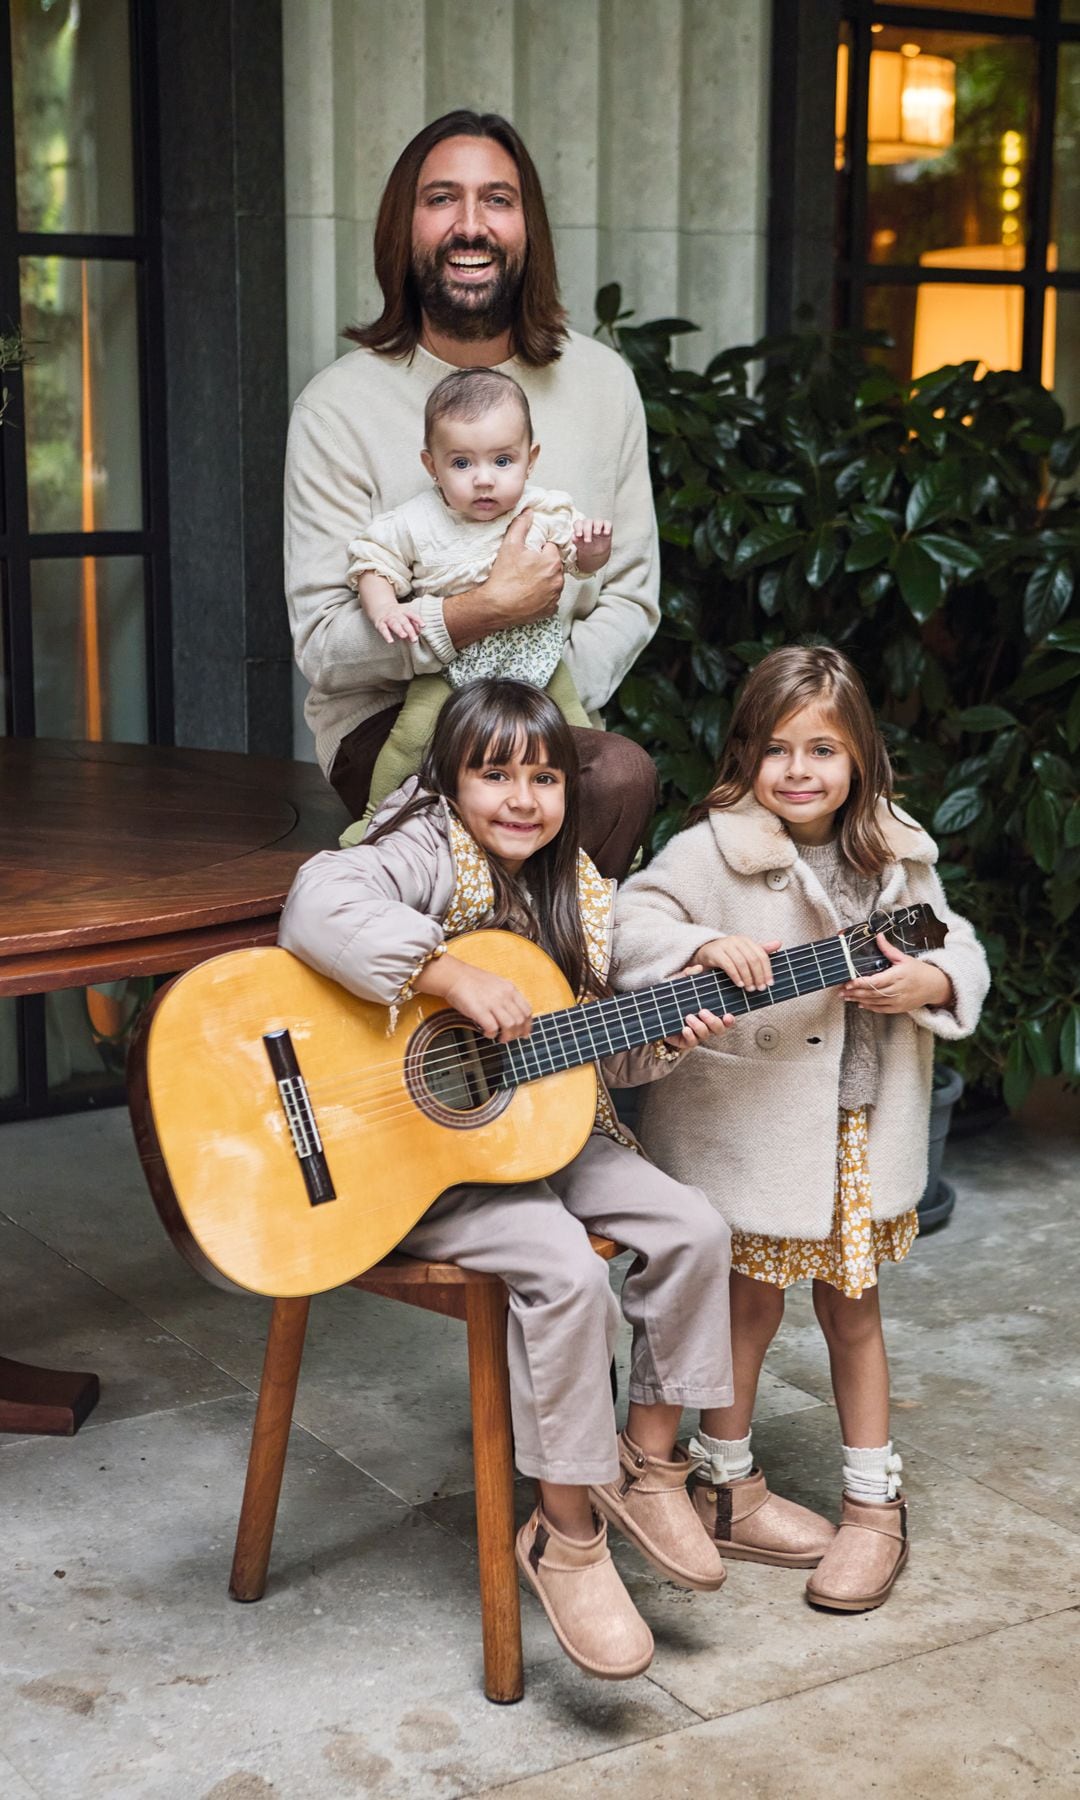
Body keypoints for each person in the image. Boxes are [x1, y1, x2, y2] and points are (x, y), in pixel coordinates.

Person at [278, 679, 735, 1680]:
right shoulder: (423, 846)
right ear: (450, 782)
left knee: (696, 1228)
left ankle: (650, 1465)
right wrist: (444, 975)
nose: (521, 798)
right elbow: (317, 900)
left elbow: (602, 1052)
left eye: (543, 778)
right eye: (495, 775)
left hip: (553, 1132)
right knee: (565, 1274)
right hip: (428, 1163)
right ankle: (564, 1533)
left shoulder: (578, 889)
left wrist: (665, 1027)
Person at [613, 646, 989, 1613]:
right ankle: (725, 1484)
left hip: (860, 1125)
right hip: (756, 1126)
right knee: (744, 1306)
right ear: (747, 752)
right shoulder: (710, 850)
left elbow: (957, 940)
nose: (798, 769)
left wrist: (933, 982)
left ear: (860, 755)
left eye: (822, 747)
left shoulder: (896, 853)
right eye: (777, 747)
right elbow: (627, 925)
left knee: (851, 1310)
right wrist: (702, 944)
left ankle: (875, 1508)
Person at [284, 109, 660, 880]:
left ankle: (553, 993)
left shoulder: (602, 386)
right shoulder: (338, 405)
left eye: (497, 199)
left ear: (528, 227)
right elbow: (325, 642)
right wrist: (480, 614)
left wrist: (527, 691)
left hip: (553, 713)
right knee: (489, 809)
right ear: (404, 227)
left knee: (616, 775)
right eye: (440, 199)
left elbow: (630, 597)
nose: (470, 225)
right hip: (394, 729)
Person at [340, 366, 610, 843]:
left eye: (502, 461)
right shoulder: (414, 522)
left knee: (575, 738)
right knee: (410, 738)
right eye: (462, 464)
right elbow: (372, 564)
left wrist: (593, 549)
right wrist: (384, 607)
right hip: (452, 661)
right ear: (432, 466)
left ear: (531, 459)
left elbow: (581, 564)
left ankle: (603, 839)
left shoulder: (544, 510)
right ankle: (374, 820)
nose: (484, 480)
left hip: (537, 653)